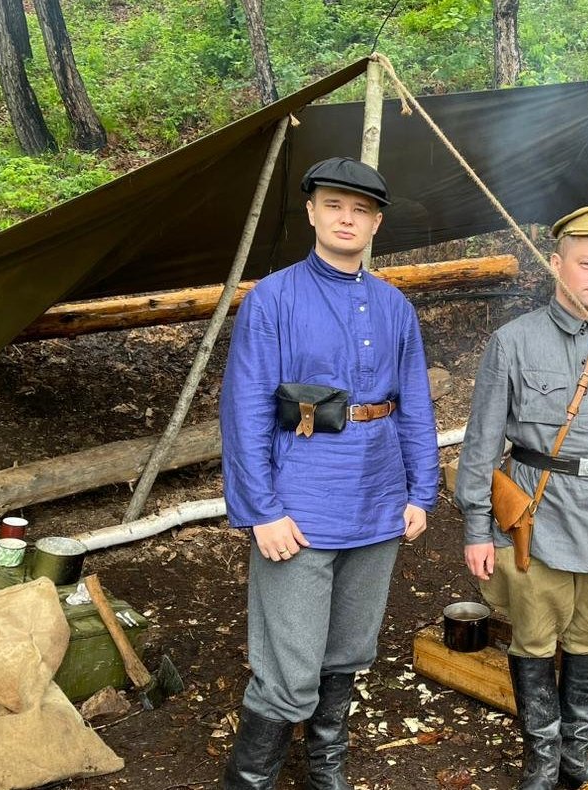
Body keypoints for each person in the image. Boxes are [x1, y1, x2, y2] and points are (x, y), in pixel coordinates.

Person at [219, 157, 439, 790]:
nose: (348, 218)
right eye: (335, 205)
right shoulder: (273, 299)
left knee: (346, 653)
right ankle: (249, 782)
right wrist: (262, 510)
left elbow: (415, 407)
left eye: (361, 209)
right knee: (289, 672)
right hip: (301, 504)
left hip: (377, 501)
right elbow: (246, 409)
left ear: (376, 223)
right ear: (311, 211)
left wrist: (421, 490)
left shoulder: (395, 306)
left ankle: (325, 772)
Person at [454, 204, 588, 790]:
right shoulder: (513, 342)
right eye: (586, 264)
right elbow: (481, 443)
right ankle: (542, 758)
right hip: (535, 521)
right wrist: (478, 527)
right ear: (556, 266)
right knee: (532, 637)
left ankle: (576, 752)